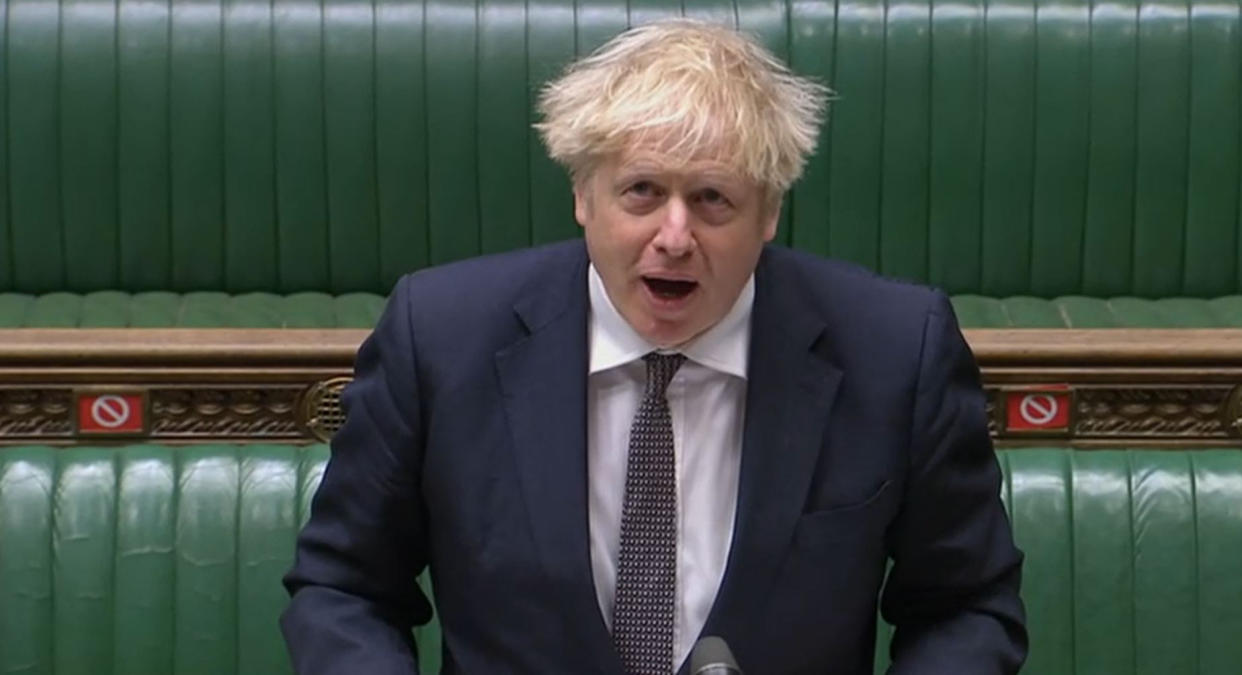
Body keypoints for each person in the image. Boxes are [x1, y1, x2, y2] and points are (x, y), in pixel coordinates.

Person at [281, 18, 1026, 675]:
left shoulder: (895, 351)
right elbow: (344, 586)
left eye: (712, 199)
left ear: (769, 212)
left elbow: (967, 607)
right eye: (641, 191)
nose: (674, 237)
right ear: (583, 195)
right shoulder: (441, 337)